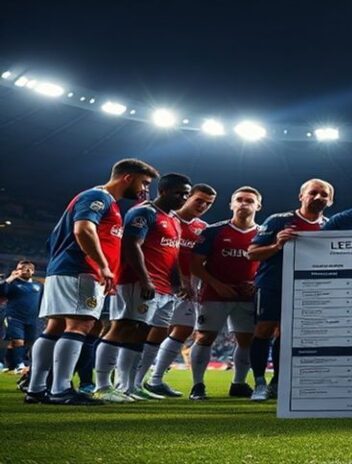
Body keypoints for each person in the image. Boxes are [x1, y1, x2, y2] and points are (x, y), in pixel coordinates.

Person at [25, 158, 158, 405]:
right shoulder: (99, 197)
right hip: (81, 270)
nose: (145, 190)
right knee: (80, 325)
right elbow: (83, 230)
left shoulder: (111, 204)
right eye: (144, 182)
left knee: (54, 327)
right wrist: (104, 266)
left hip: (67, 269)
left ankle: (36, 389)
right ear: (127, 177)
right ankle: (60, 389)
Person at [93, 173, 191, 402]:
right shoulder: (144, 212)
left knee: (142, 334)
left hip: (165, 288)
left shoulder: (174, 219)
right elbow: (131, 245)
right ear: (164, 190)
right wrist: (145, 279)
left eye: (186, 193)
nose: (183, 197)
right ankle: (103, 386)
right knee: (123, 328)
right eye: (179, 193)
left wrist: (177, 283)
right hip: (140, 282)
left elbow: (172, 254)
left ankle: (128, 386)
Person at [248, 179, 334, 401]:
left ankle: (278, 382)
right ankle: (259, 383)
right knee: (264, 331)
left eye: (323, 195)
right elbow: (252, 253)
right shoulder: (279, 221)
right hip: (272, 284)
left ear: (330, 200)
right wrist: (276, 246)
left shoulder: (330, 226)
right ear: (301, 196)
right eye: (313, 193)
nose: (318, 197)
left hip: (308, 287)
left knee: (287, 334)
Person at [188, 186, 261, 400]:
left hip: (247, 296)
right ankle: (198, 385)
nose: (244, 203)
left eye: (249, 200)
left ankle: (238, 383)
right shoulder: (213, 231)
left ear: (258, 205)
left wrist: (256, 283)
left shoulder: (264, 233)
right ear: (231, 204)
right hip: (214, 294)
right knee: (204, 337)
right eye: (239, 199)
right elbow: (195, 264)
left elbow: (268, 266)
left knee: (246, 340)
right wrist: (216, 284)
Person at [144, 184, 217, 397]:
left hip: (190, 285)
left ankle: (155, 379)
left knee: (184, 329)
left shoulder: (204, 228)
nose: (203, 206)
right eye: (199, 200)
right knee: (149, 329)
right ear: (188, 197)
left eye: (208, 203)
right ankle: (129, 378)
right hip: (160, 281)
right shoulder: (167, 218)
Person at [0, 261, 43, 371]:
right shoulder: (12, 284)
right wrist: (10, 278)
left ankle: (11, 364)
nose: (26, 270)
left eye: (29, 268)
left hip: (32, 318)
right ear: (17, 270)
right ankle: (20, 364)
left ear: (33, 271)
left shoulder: (38, 285)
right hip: (14, 317)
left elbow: (43, 300)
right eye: (22, 268)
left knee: (28, 342)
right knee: (18, 341)